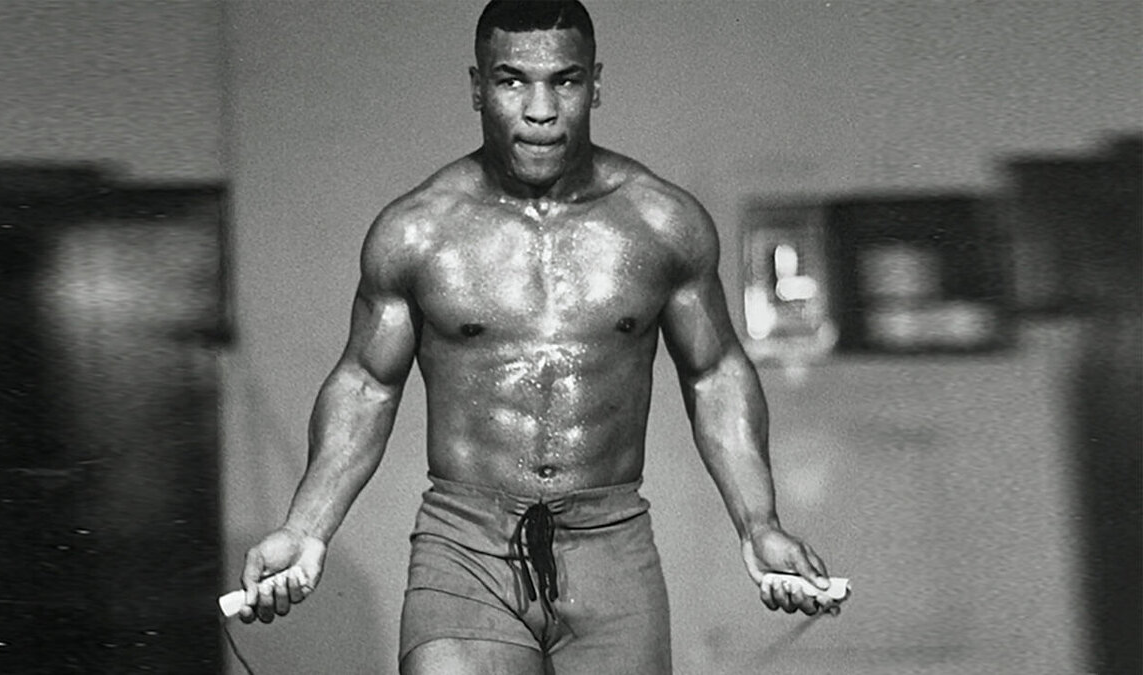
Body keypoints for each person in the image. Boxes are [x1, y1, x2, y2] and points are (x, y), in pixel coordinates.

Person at [238, 2, 837, 673]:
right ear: (478, 88)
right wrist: (305, 528)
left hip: (611, 542)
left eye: (565, 80)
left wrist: (759, 523)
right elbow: (367, 385)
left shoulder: (661, 223)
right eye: (512, 81)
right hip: (466, 542)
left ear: (595, 84)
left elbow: (715, 372)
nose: (541, 110)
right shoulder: (418, 231)